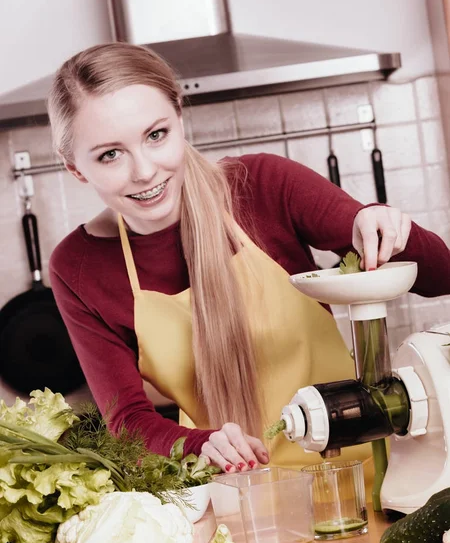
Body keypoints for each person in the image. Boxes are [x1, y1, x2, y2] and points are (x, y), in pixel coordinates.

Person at [48, 42, 450, 480]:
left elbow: (440, 275)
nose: (143, 171)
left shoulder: (263, 186)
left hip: (368, 478)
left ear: (180, 119)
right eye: (110, 154)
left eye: (156, 135)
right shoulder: (79, 266)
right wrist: (203, 444)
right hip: (238, 502)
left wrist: (386, 228)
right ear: (77, 170)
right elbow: (126, 419)